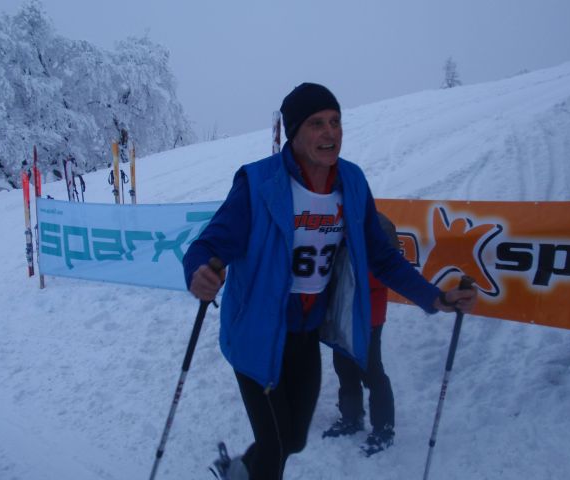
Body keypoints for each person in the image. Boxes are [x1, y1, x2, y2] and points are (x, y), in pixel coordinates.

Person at [183, 82, 477, 480]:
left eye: (335, 121)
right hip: (257, 331)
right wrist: (199, 271)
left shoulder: (351, 182)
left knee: (294, 440)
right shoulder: (259, 183)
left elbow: (381, 256)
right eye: (317, 123)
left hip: (306, 333)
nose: (330, 132)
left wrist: (435, 298)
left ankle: (237, 470)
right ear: (294, 132)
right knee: (274, 445)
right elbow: (209, 245)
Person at [322, 212, 398, 457]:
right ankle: (351, 416)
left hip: (367, 314)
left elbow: (387, 270)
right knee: (343, 365)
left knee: (371, 369)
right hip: (341, 310)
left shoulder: (378, 225)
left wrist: (348, 271)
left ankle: (384, 428)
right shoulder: (333, 219)